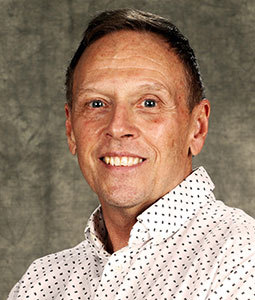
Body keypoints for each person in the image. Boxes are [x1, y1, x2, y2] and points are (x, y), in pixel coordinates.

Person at [8, 8, 255, 300]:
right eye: (96, 104)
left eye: (149, 103)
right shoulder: (40, 284)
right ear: (71, 130)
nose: (118, 127)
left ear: (197, 128)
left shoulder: (242, 259)